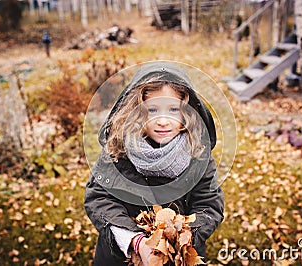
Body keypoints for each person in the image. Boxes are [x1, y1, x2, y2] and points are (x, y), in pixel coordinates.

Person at [84, 61, 225, 265]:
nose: (163, 121)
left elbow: (209, 204)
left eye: (173, 110)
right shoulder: (117, 149)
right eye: (152, 110)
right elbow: (99, 198)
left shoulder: (198, 154)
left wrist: (178, 241)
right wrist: (136, 241)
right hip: (119, 256)